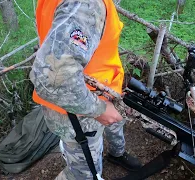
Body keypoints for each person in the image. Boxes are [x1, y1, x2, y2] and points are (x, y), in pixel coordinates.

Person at [29, 0, 142, 179]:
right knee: (84, 174)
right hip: (78, 111)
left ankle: (117, 155)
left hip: (104, 91)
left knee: (115, 127)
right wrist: (100, 110)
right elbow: (53, 78)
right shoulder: (84, 4)